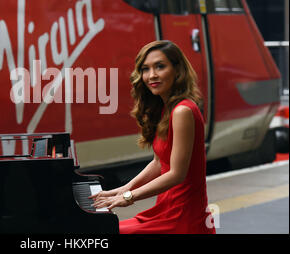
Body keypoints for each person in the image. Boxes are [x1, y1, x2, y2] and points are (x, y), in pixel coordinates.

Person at [90, 40, 216, 234]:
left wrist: (128, 197)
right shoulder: (166, 109)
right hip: (165, 211)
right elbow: (158, 162)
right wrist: (123, 189)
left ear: (177, 70)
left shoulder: (183, 111)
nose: (152, 75)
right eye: (145, 69)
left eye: (160, 66)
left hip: (182, 219)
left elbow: (176, 173)